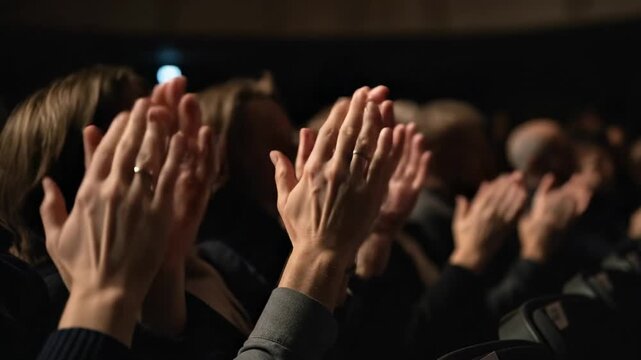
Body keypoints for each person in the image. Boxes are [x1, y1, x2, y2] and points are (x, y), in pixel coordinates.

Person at [36, 85, 406, 360]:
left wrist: (166, 270)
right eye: (142, 161)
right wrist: (319, 253)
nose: (178, 166)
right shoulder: (49, 299)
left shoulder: (205, 269)